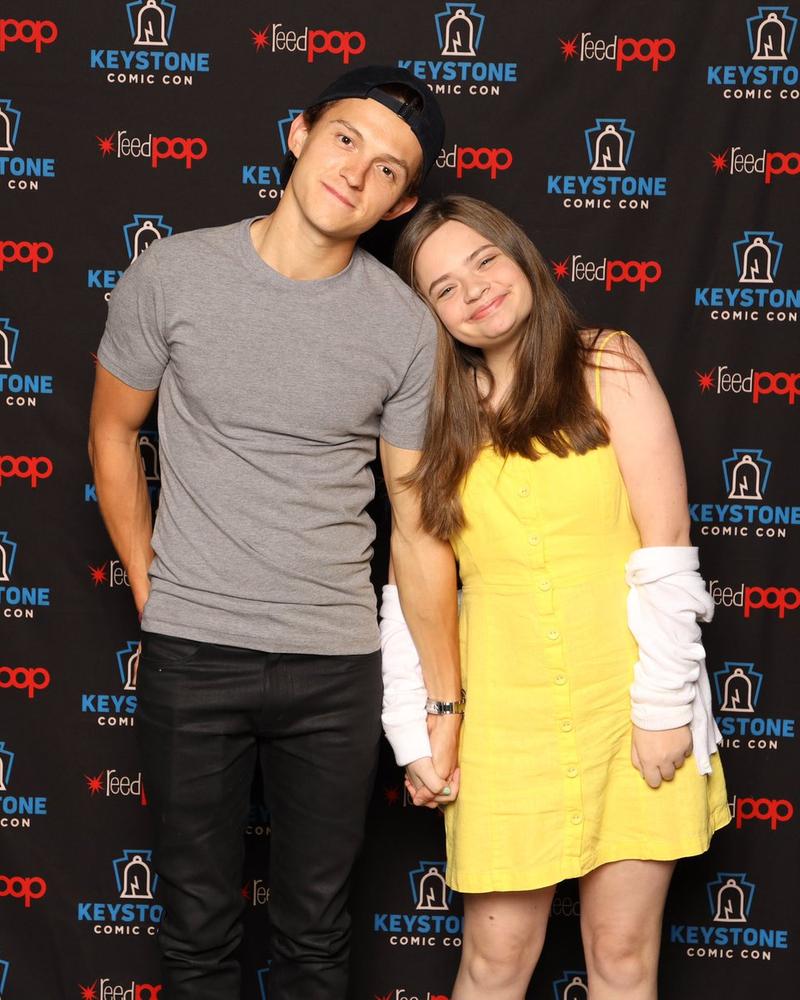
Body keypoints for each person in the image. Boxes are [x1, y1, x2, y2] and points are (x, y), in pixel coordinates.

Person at [88, 67, 463, 1000]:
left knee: (316, 940)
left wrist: (444, 705)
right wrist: (153, 590)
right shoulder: (172, 272)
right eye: (345, 139)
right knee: (196, 935)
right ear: (299, 136)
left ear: (398, 204)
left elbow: (418, 528)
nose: (357, 171)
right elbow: (112, 432)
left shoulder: (406, 328)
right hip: (194, 653)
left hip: (334, 669)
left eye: (387, 169)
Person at [380, 195, 731, 1000]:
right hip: (501, 723)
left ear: (521, 257)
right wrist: (413, 728)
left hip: (627, 700)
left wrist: (662, 706)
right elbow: (415, 578)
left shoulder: (607, 361)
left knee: (621, 956)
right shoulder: (425, 412)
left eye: (484, 260)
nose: (474, 290)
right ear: (429, 314)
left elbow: (667, 545)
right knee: (495, 962)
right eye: (443, 287)